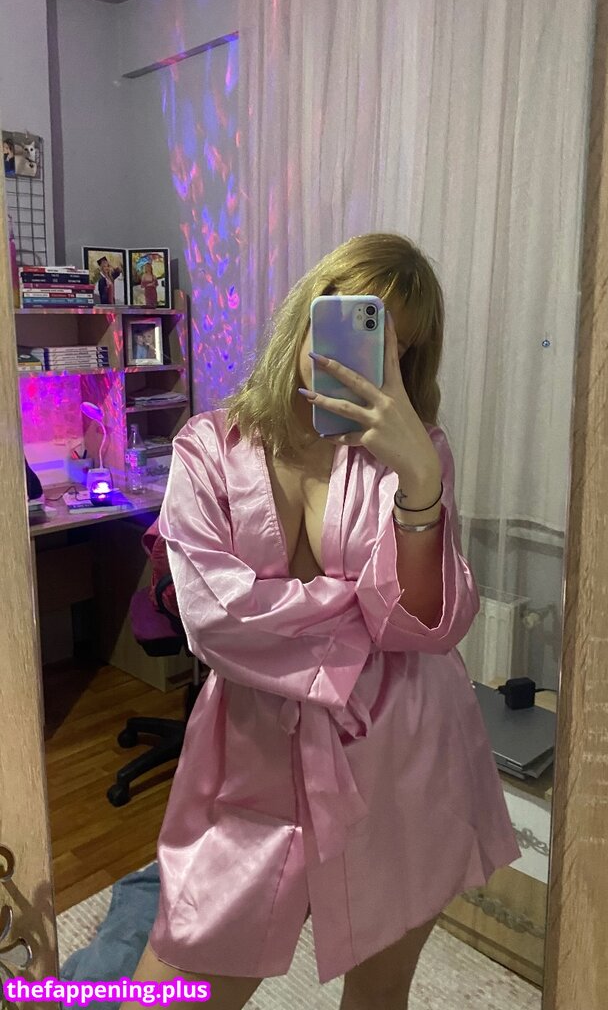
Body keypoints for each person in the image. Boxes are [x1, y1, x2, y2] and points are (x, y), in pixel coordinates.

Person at [120, 233, 520, 1010]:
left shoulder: (417, 459)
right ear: (307, 314)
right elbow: (215, 619)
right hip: (251, 758)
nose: (358, 353)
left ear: (409, 360)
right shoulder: (210, 448)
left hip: (404, 753)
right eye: (351, 318)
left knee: (379, 994)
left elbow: (427, 627)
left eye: (392, 342)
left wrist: (420, 479)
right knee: (176, 987)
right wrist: (361, 610)